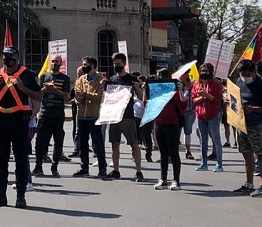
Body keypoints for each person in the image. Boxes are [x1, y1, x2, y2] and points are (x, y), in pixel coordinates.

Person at [0, 46, 42, 208]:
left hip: (19, 122)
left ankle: (21, 196)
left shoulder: (27, 74)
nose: (7, 59)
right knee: (0, 161)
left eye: (10, 56)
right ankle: (0, 195)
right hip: (0, 122)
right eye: (5, 56)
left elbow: (39, 96)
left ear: (17, 58)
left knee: (21, 160)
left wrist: (23, 88)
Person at [104, 53, 145, 182]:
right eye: (115, 64)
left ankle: (138, 171)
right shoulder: (112, 79)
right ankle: (116, 170)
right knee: (114, 144)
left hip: (127, 116)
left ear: (124, 64)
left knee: (134, 144)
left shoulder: (132, 79)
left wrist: (137, 87)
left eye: (119, 64)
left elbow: (141, 98)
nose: (117, 66)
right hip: (114, 116)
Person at [33, 54, 71, 177]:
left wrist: (54, 89)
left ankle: (54, 167)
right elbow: (37, 94)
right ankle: (38, 166)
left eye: (57, 62)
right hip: (44, 113)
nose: (55, 63)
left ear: (61, 64)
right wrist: (45, 89)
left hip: (58, 114)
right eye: (53, 61)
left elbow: (65, 96)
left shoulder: (65, 78)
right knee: (40, 141)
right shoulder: (44, 76)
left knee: (58, 141)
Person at [73, 57, 108, 177]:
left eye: (85, 64)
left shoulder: (100, 80)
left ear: (92, 66)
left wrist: (86, 94)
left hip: (95, 116)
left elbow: (99, 96)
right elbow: (77, 94)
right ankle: (84, 167)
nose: (83, 67)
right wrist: (80, 97)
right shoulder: (81, 79)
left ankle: (102, 168)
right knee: (83, 143)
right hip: (82, 115)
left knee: (98, 143)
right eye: (83, 64)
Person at [152, 69, 186, 190]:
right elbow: (148, 103)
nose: (158, 79)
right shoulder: (156, 90)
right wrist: (146, 88)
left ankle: (176, 180)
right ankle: (163, 179)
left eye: (160, 76)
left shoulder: (174, 90)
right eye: (157, 77)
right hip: (159, 123)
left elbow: (183, 104)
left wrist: (180, 89)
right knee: (163, 154)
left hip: (172, 124)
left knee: (173, 153)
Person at [232, 59, 262, 196]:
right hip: (242, 124)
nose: (245, 77)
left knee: (260, 155)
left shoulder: (260, 84)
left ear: (254, 72)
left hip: (257, 125)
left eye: (247, 74)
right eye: (242, 74)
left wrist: (254, 109)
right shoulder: (239, 82)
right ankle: (249, 184)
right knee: (246, 154)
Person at [193, 62, 224, 172]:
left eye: (206, 71)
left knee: (216, 139)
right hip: (200, 115)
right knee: (203, 139)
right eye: (202, 71)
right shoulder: (197, 84)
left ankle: (219, 164)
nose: (204, 73)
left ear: (210, 72)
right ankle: (204, 163)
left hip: (213, 115)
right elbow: (194, 99)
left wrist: (206, 95)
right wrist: (202, 98)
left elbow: (217, 100)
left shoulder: (216, 84)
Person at [180, 73, 196, 160]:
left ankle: (188, 151)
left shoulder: (194, 86)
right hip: (180, 112)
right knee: (177, 131)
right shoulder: (180, 87)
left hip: (190, 111)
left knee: (188, 131)